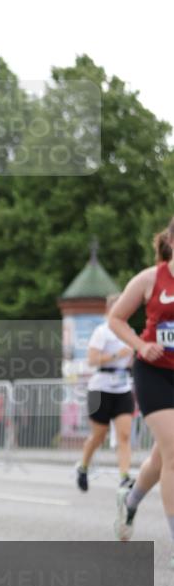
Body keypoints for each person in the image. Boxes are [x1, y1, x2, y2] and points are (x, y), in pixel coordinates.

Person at [110, 216, 174, 562]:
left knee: (163, 455)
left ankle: (130, 499)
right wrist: (139, 345)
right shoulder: (151, 279)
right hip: (154, 373)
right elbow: (116, 318)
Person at [75, 293, 135, 492]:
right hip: (100, 389)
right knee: (98, 436)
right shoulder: (102, 331)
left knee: (124, 435)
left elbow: (133, 358)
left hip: (123, 387)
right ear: (110, 309)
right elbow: (92, 359)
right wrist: (118, 355)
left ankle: (125, 476)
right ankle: (83, 467)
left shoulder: (129, 331)